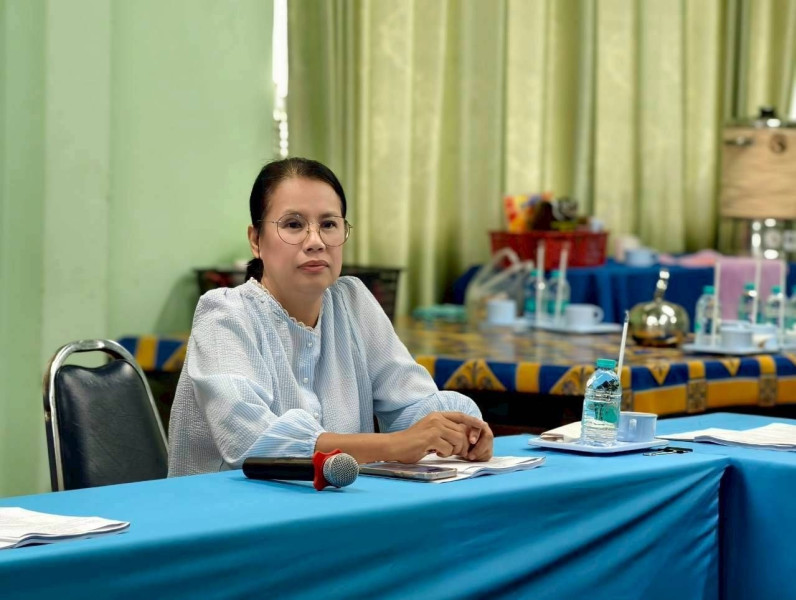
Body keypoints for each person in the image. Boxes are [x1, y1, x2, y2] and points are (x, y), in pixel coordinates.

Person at [168, 157, 493, 476]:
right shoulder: (224, 315)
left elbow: (409, 404)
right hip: (230, 507)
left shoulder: (353, 302)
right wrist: (394, 445)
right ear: (256, 240)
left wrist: (460, 428)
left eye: (328, 225)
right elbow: (252, 441)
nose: (315, 242)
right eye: (293, 225)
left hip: (334, 504)